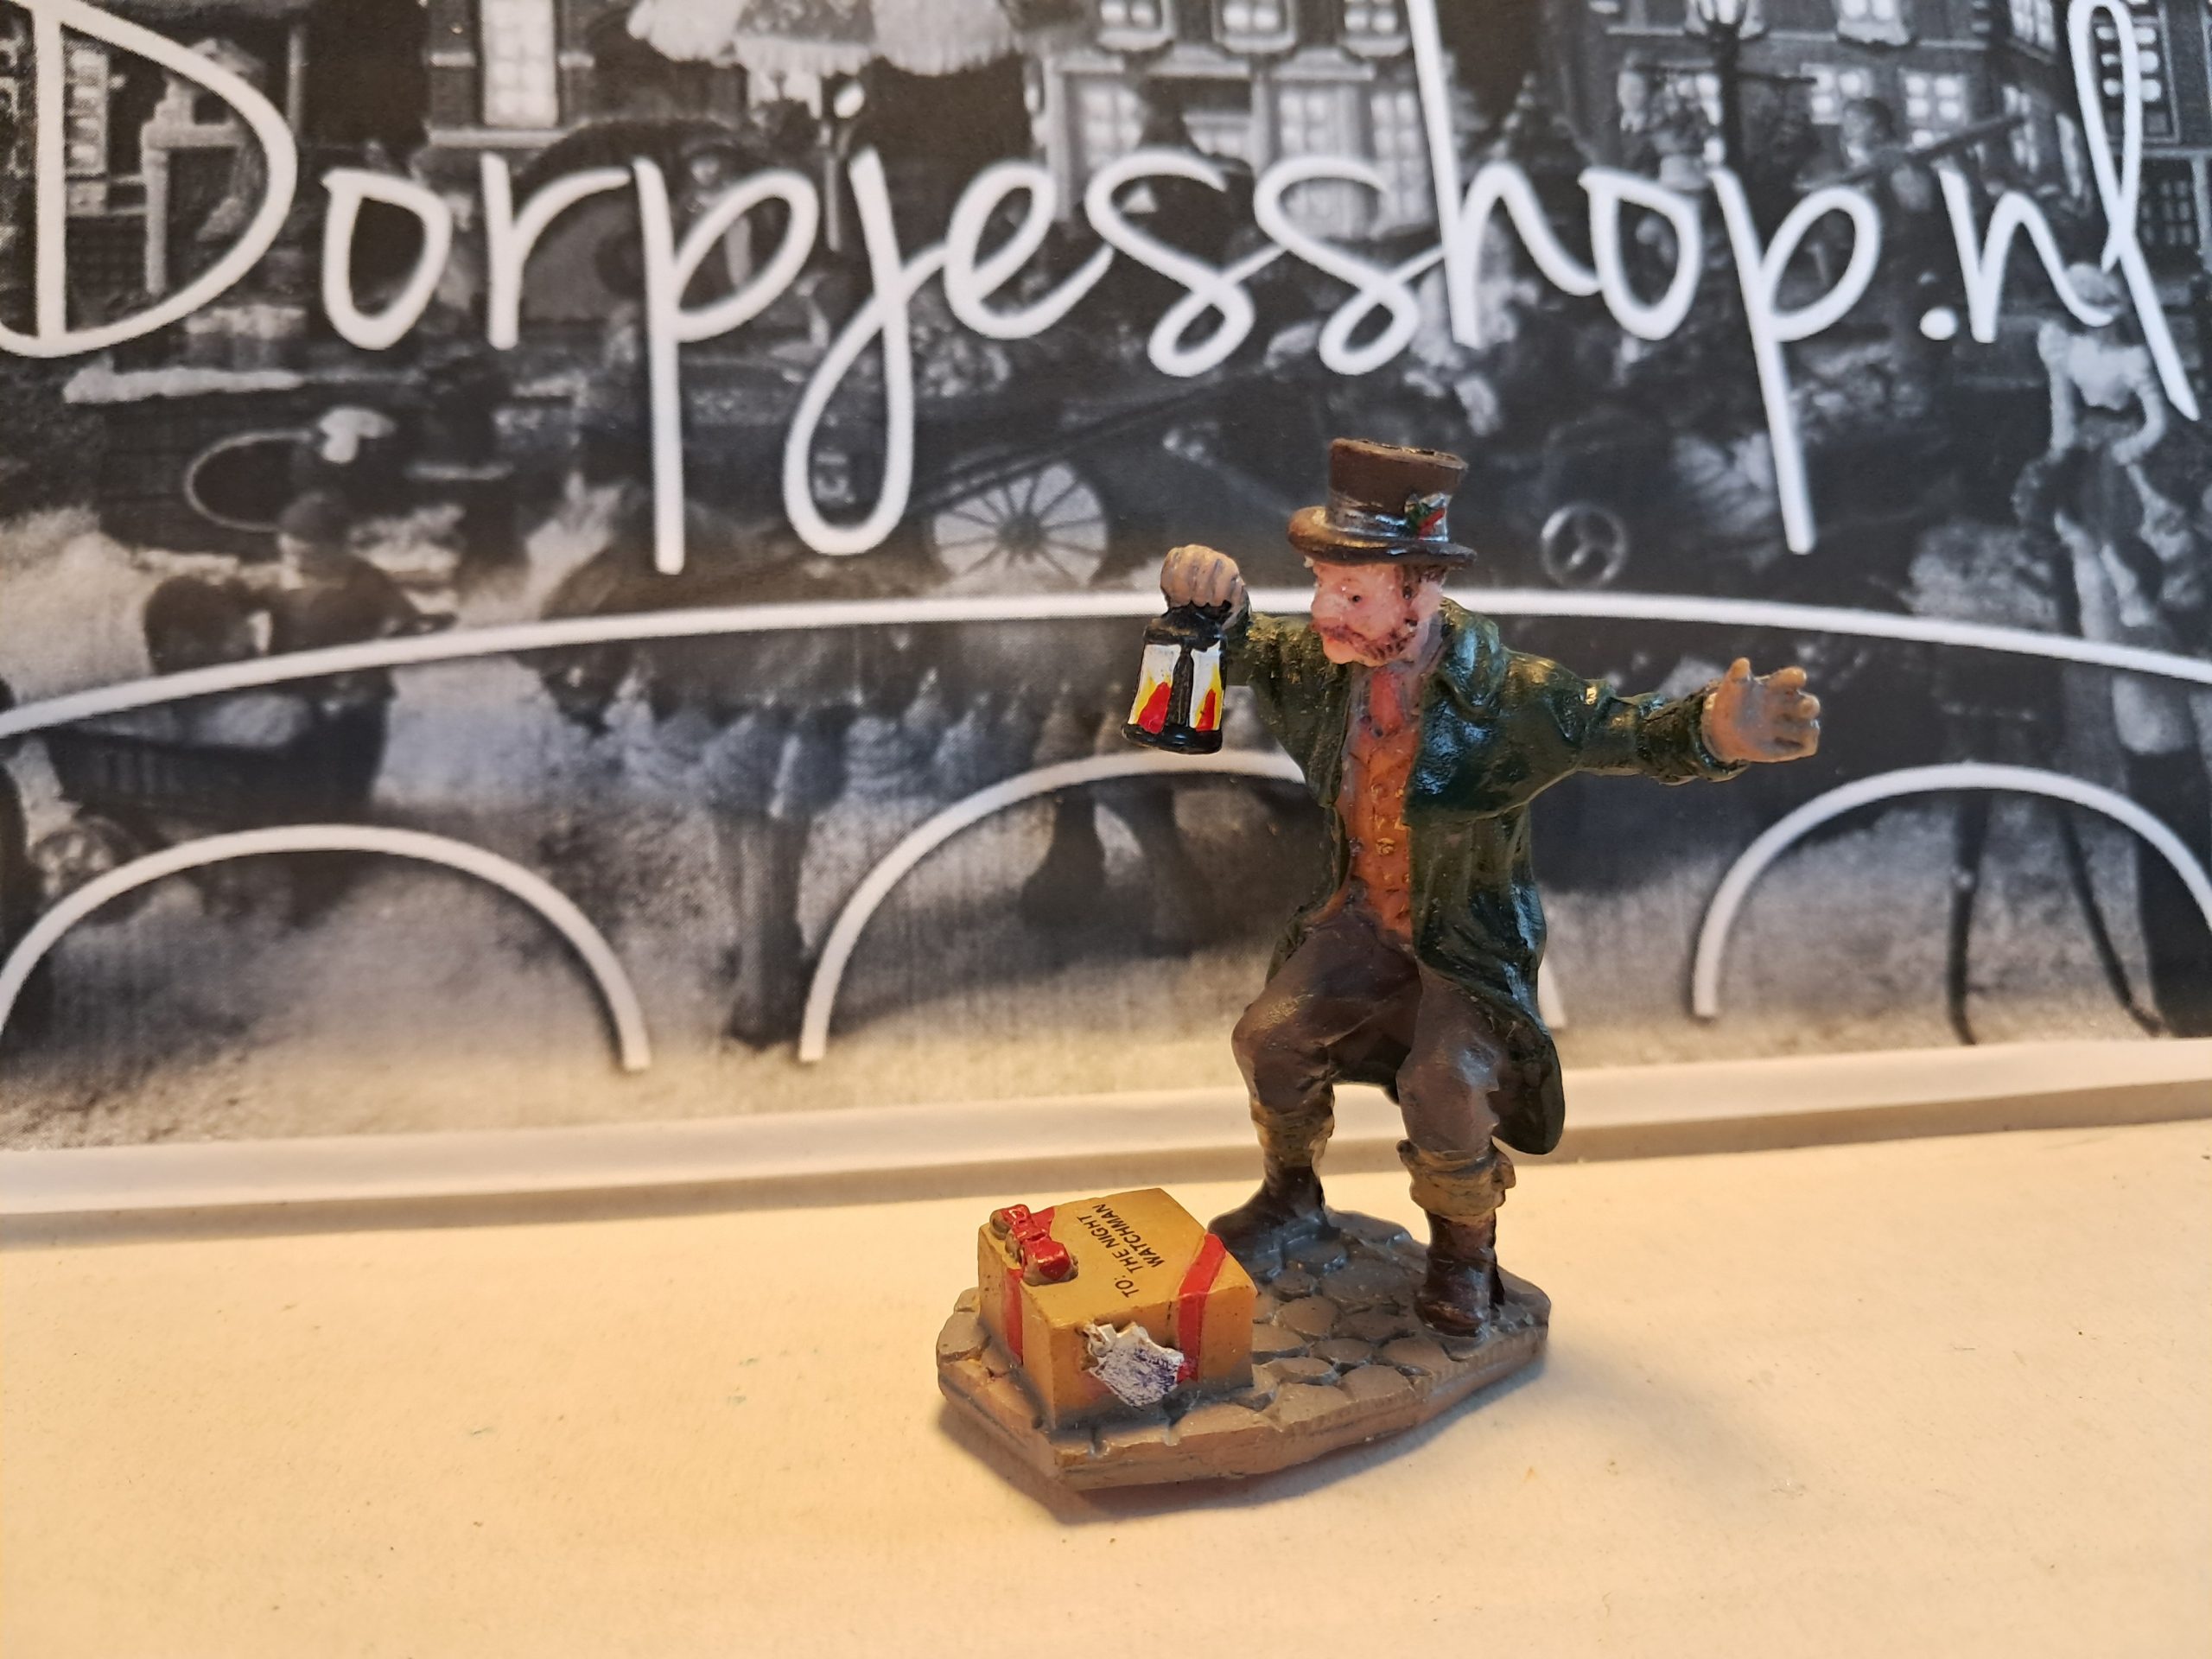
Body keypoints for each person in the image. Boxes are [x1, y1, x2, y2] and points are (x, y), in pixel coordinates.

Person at [1159, 439, 1821, 1334]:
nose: (1322, 611)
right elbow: (1227, 661)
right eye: (1320, 585)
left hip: (1463, 946)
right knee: (1269, 1041)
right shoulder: (1323, 666)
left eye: (1350, 594)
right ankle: (1290, 1196)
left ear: (1420, 590)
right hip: (1356, 924)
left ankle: (1462, 1255)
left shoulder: (1509, 695)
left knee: (1446, 1083)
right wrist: (1208, 603)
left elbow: (1621, 728)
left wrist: (1710, 732)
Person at [2018, 265, 2212, 1035]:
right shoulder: (2116, 569)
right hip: (2157, 698)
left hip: (2164, 663)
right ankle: (2193, 1013)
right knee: (2171, 821)